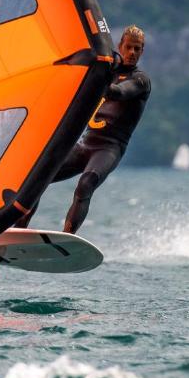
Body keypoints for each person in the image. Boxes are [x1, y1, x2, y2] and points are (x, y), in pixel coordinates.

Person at [50, 25, 151, 233]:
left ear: (142, 51)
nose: (132, 52)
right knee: (41, 176)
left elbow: (118, 93)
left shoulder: (140, 80)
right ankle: (18, 229)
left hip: (109, 149)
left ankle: (66, 238)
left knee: (86, 184)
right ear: (120, 46)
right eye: (129, 47)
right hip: (86, 143)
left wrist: (99, 76)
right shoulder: (109, 69)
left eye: (137, 48)